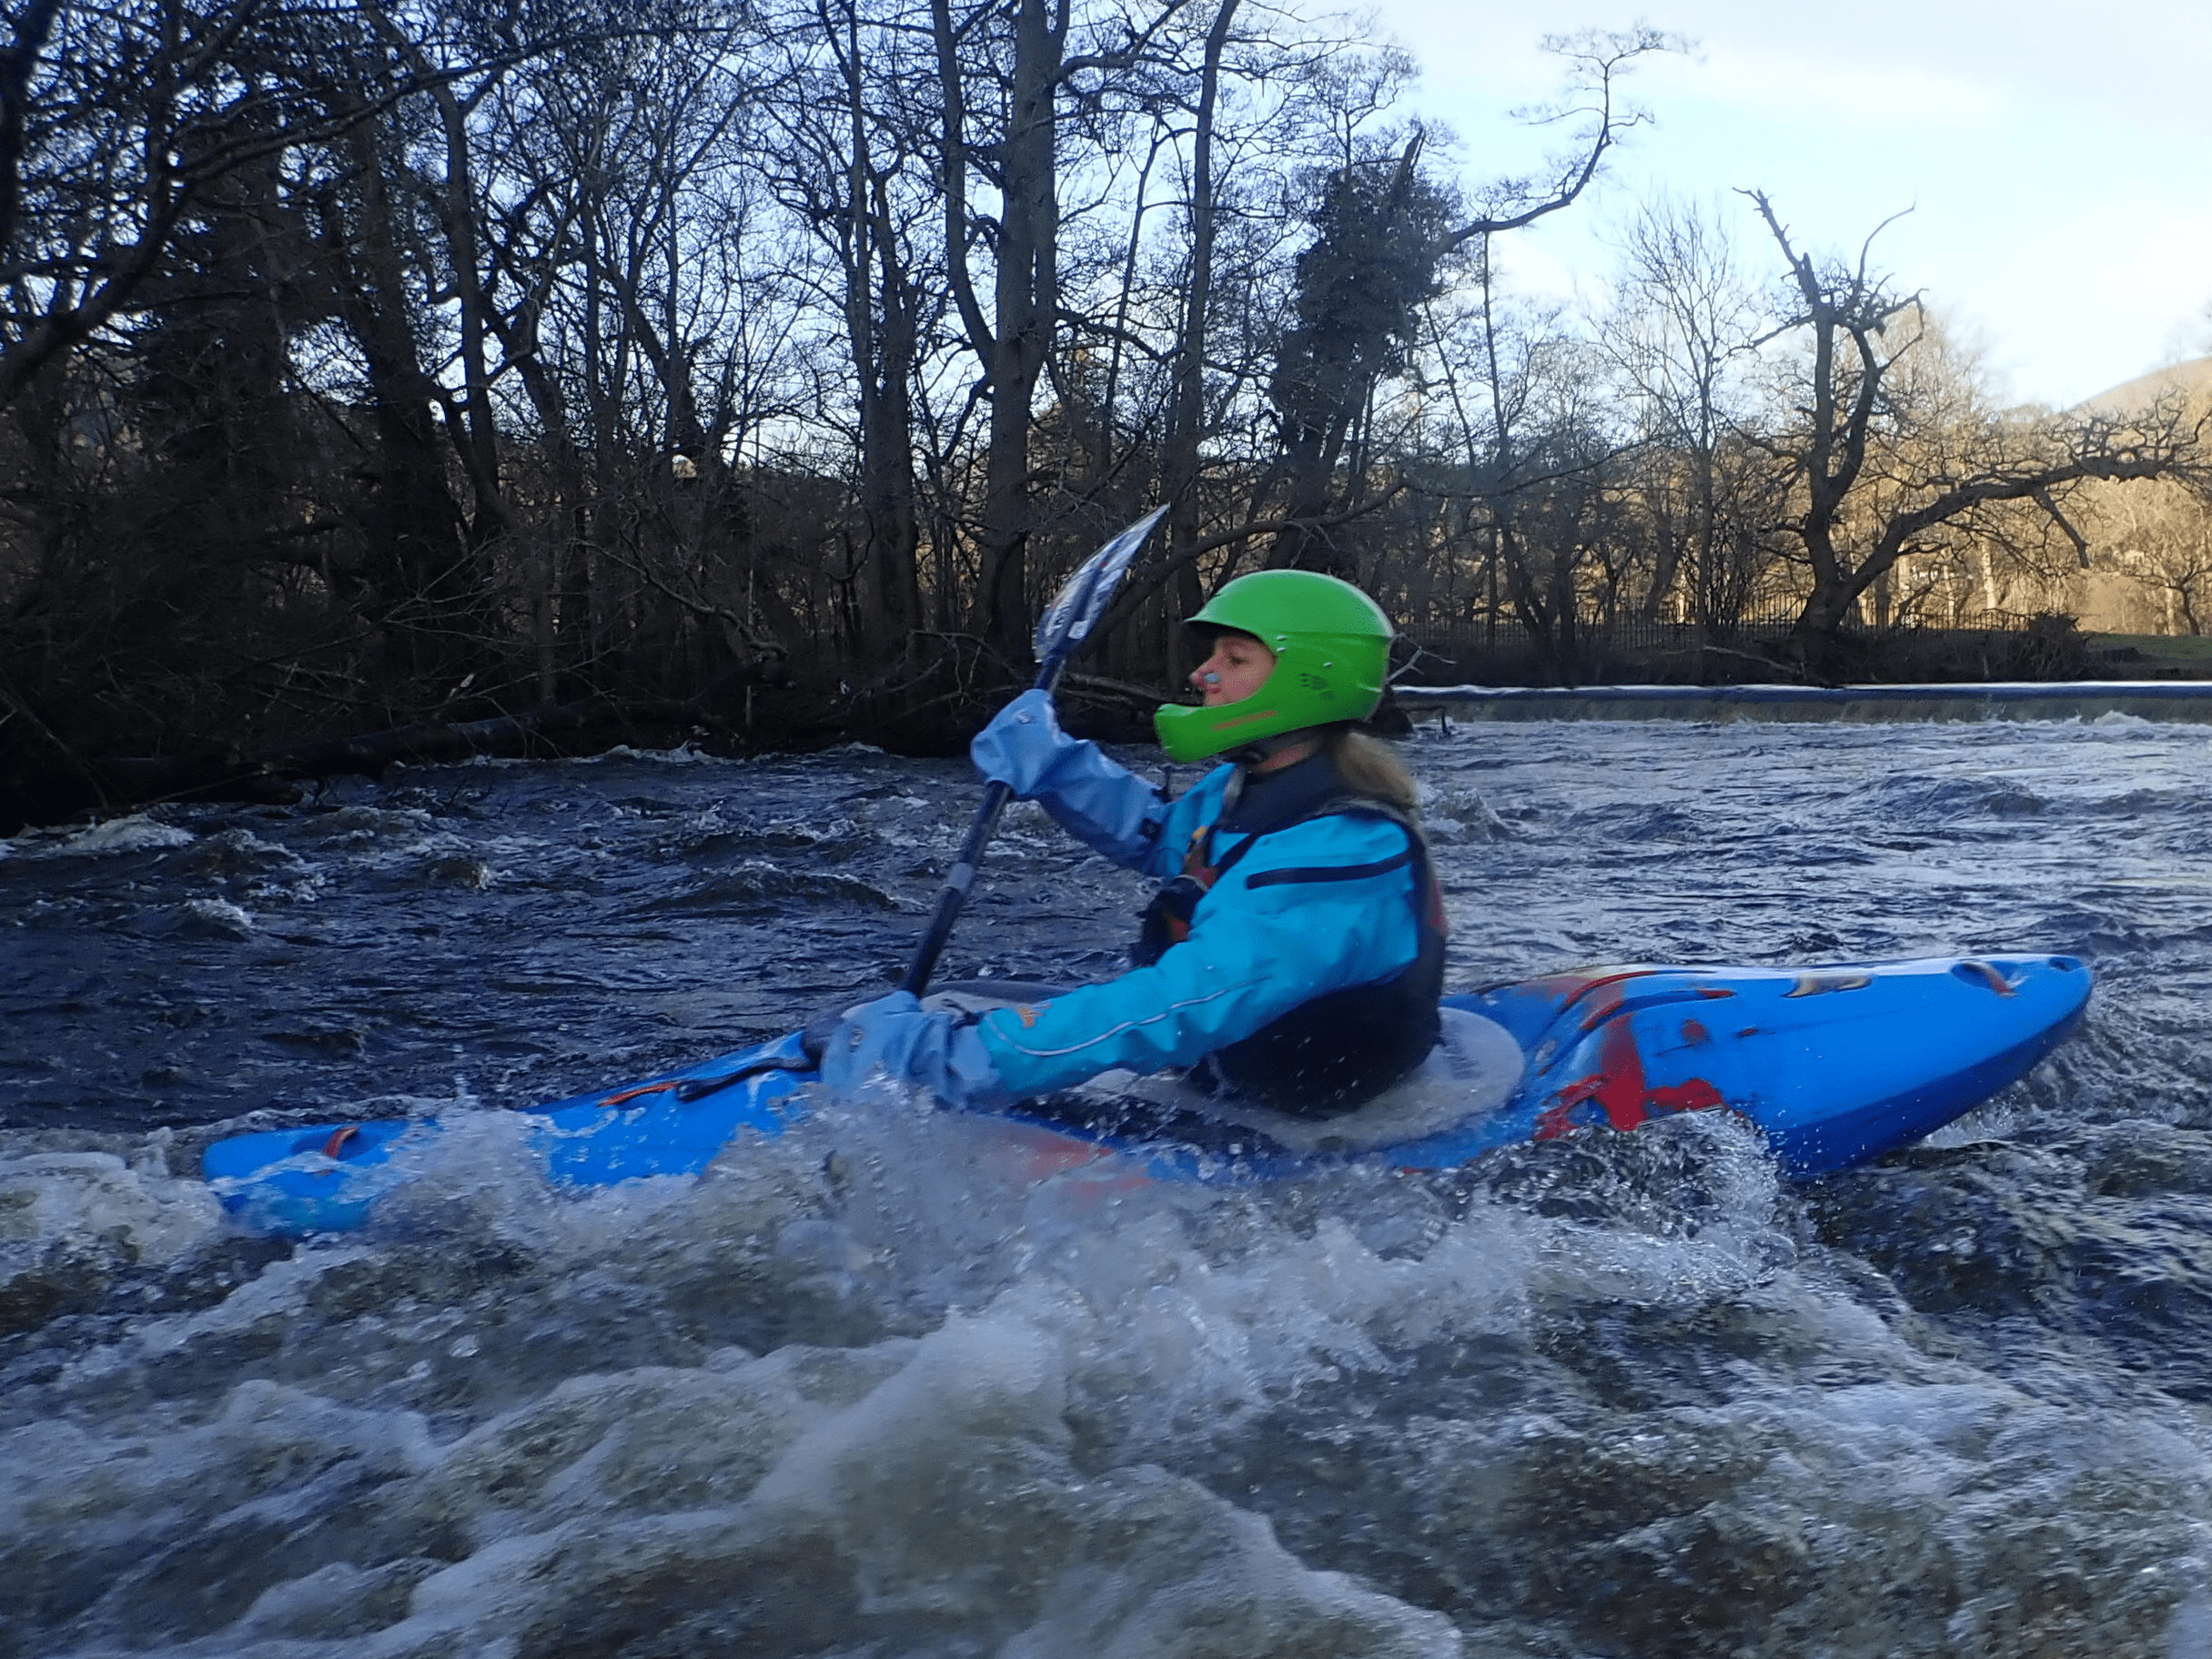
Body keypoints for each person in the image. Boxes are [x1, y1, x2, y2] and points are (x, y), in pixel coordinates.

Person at [818, 570, 1446, 1119]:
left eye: (1234, 658)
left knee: (963, 1036)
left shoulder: (1343, 851)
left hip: (1310, 1089)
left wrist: (973, 1056)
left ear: (1310, 677)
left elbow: (1188, 998)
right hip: (1237, 1057)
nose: (1203, 673)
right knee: (942, 1006)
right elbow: (1165, 839)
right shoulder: (1247, 784)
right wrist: (1061, 768)